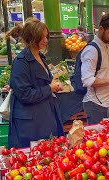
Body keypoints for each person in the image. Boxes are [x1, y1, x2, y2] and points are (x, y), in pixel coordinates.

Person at [6, 17, 65, 148]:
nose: (46, 40)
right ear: (32, 38)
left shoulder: (40, 56)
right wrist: (50, 88)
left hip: (43, 115)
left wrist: (52, 87)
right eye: (42, 37)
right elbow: (25, 95)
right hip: (30, 123)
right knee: (33, 159)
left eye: (47, 36)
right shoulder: (21, 62)